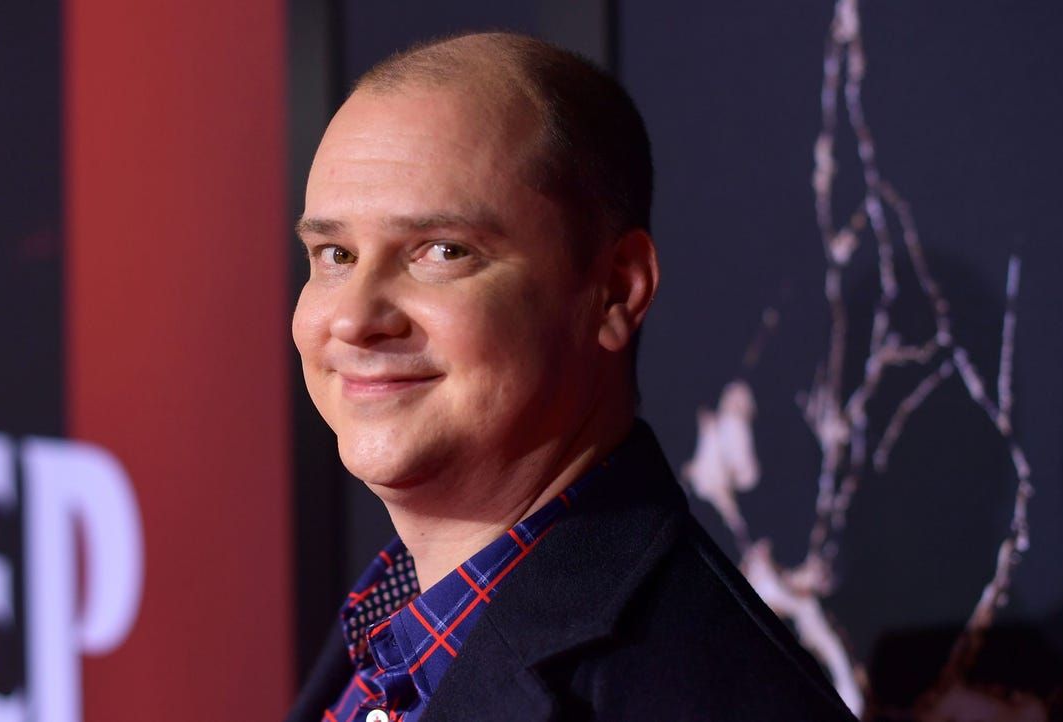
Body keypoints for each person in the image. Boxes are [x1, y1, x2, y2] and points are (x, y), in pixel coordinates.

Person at [285, 31, 856, 722]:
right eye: (335, 254)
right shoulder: (388, 629)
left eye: (442, 251)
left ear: (615, 291)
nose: (354, 319)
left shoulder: (702, 698)